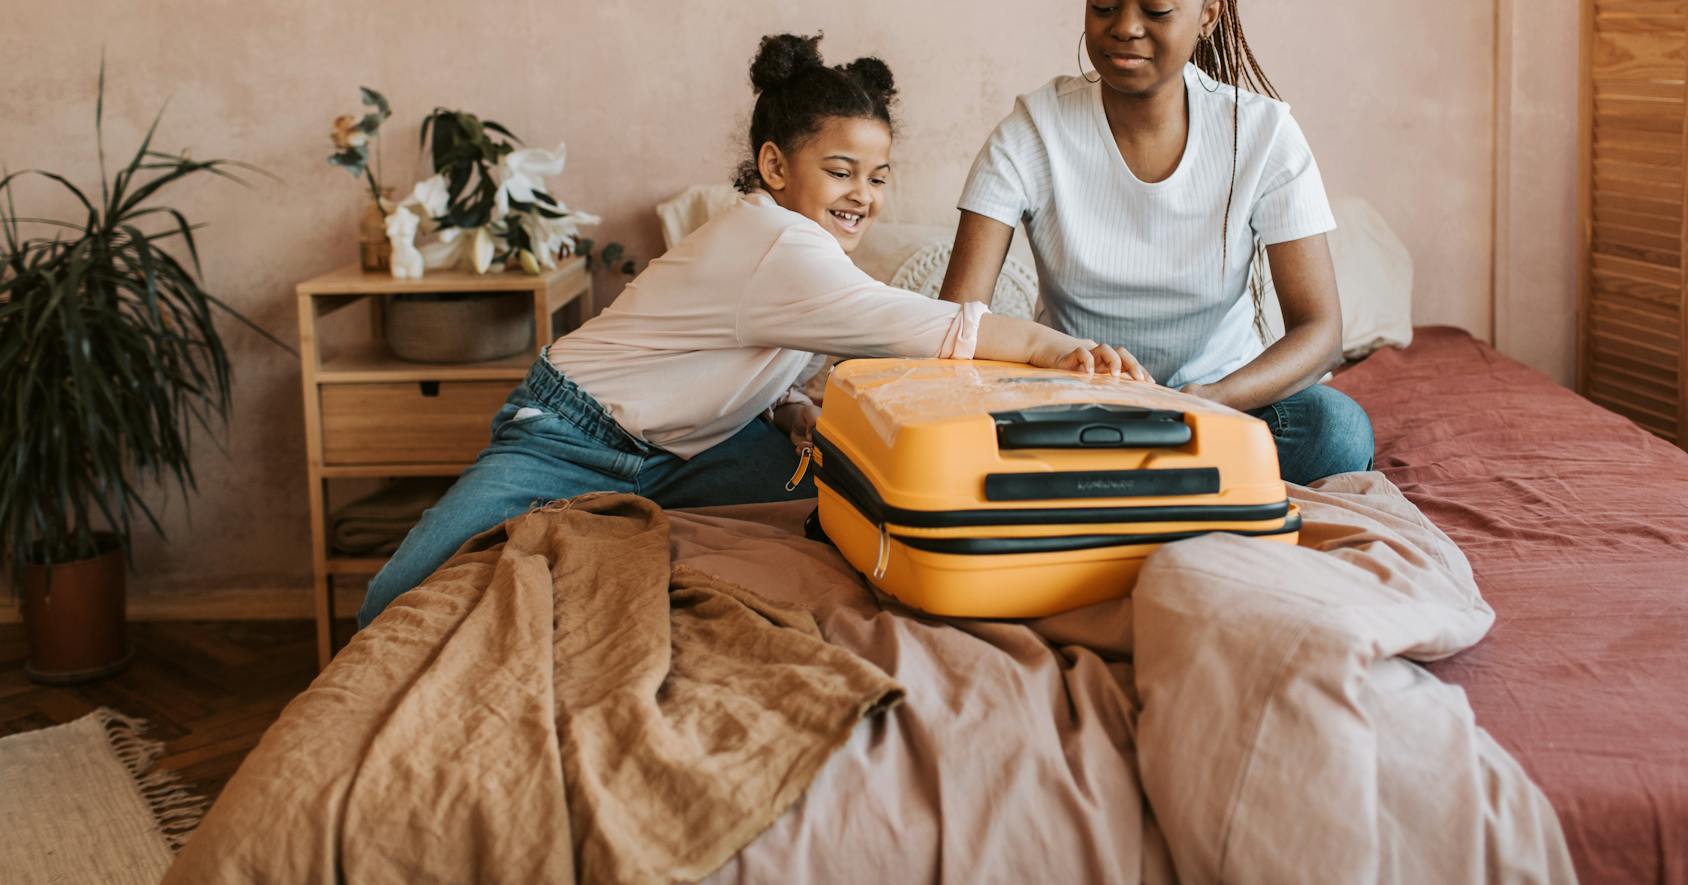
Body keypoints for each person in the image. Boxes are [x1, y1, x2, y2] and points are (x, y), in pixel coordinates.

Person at [359, 32, 1145, 626]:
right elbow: (928, 326)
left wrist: (792, 410)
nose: (863, 196)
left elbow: (749, 359)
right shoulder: (780, 244)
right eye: (839, 171)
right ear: (774, 166)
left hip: (685, 453)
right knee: (396, 597)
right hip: (567, 435)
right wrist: (1057, 347)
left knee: (842, 502)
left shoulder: (802, 253)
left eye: (877, 178)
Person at [939, 0, 1372, 486]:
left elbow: (1321, 333)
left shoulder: (1264, 134)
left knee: (1335, 430)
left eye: (1157, 9)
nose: (1125, 29)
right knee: (954, 433)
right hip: (1077, 410)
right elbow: (956, 321)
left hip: (1221, 409)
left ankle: (1122, 489)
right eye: (1103, 4)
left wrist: (1207, 399)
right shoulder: (1032, 133)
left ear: (1209, 16)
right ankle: (1180, 488)